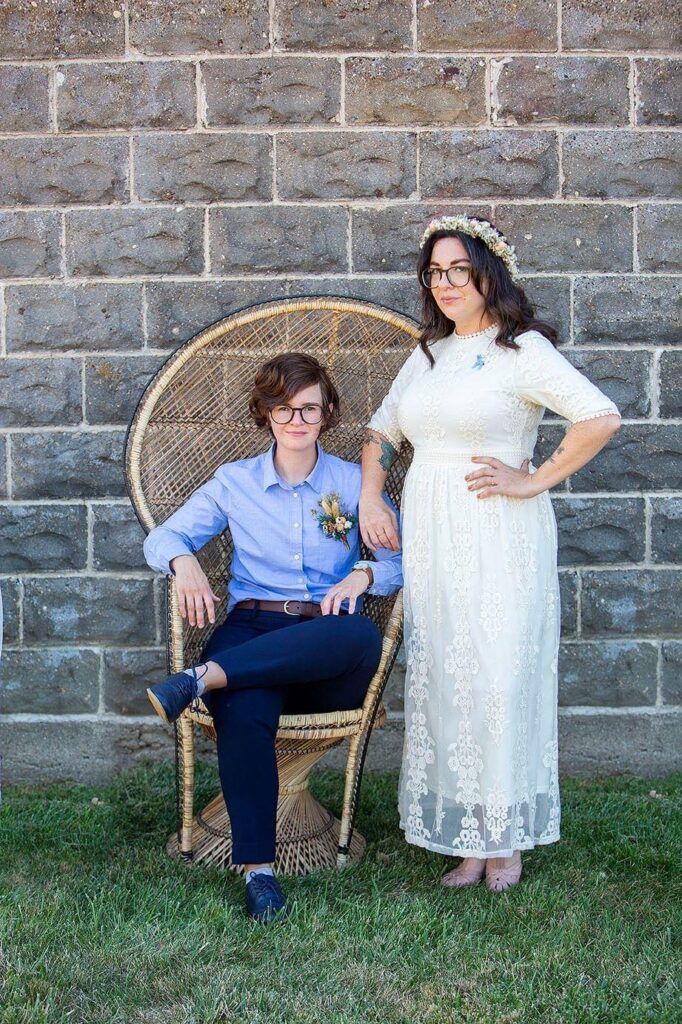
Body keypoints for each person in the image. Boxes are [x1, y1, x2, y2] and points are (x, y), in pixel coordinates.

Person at [359, 215, 621, 892]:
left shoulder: (521, 350)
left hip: (501, 534)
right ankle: (468, 839)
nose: (445, 284)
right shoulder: (427, 356)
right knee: (453, 679)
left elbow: (599, 417)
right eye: (434, 273)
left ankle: (506, 841)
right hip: (435, 537)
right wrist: (370, 494)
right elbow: (380, 430)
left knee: (500, 677)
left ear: (486, 273)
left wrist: (531, 479)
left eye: (457, 270)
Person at [143, 352, 402, 923]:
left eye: (309, 407)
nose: (297, 419)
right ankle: (259, 873)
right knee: (243, 705)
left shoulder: (352, 483)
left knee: (359, 635)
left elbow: (399, 564)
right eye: (284, 408)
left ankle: (200, 678)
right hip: (251, 625)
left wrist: (363, 573)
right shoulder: (234, 483)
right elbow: (163, 537)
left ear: (328, 412)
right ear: (265, 414)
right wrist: (183, 561)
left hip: (325, 645)